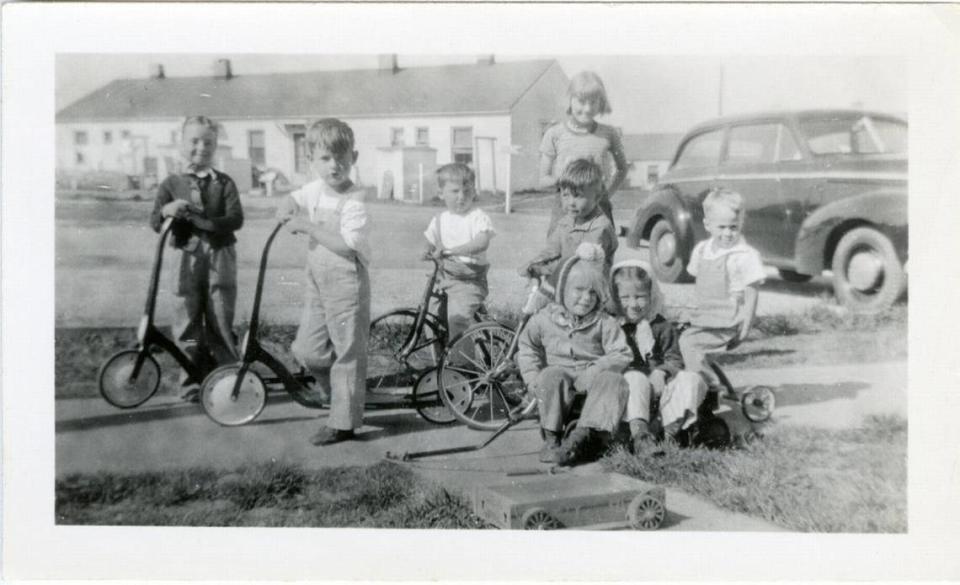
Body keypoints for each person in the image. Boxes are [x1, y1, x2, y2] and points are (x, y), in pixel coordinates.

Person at [276, 118, 371, 446]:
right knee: (308, 349)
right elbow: (294, 198)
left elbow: (347, 244)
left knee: (347, 350)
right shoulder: (314, 189)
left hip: (346, 279)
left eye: (342, 158)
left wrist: (309, 227)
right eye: (326, 159)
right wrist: (286, 205)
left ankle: (343, 422)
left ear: (354, 157)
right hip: (317, 277)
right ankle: (337, 395)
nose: (334, 165)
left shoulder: (355, 199)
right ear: (312, 161)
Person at [149, 115, 243, 402]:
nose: (201, 147)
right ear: (181, 144)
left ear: (216, 147)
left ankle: (228, 380)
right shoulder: (170, 183)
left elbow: (235, 219)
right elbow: (155, 221)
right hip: (184, 256)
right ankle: (191, 381)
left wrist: (199, 221)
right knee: (186, 320)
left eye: (209, 142)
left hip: (219, 256)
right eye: (194, 141)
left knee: (221, 316)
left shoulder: (224, 182)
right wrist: (168, 210)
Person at [516, 244, 632, 466]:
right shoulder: (544, 319)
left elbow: (621, 353)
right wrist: (532, 379)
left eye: (593, 293)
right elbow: (527, 347)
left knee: (614, 380)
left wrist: (597, 368)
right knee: (551, 375)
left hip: (592, 383)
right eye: (578, 290)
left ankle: (580, 437)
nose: (586, 298)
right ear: (562, 290)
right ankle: (552, 438)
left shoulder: (603, 322)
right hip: (561, 384)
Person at [610, 260, 707, 451]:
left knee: (692, 380)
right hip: (631, 390)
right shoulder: (613, 326)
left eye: (640, 297)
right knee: (634, 378)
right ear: (615, 298)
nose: (633, 304)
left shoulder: (660, 325)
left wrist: (662, 372)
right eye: (625, 298)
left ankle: (670, 432)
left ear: (651, 295)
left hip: (659, 386)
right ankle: (640, 435)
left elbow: (674, 358)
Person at [678, 188, 765, 395]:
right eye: (722, 227)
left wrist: (746, 325)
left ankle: (711, 385)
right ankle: (692, 384)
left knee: (688, 344)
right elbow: (700, 286)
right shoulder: (702, 250)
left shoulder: (744, 255)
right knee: (674, 340)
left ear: (741, 224)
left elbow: (752, 293)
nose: (728, 233)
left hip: (727, 319)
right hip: (705, 316)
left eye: (734, 227)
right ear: (708, 225)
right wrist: (688, 312)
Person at [539, 71, 628, 235]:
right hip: (565, 207)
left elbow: (623, 169)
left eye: (593, 102)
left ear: (601, 103)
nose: (587, 109)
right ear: (570, 100)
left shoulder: (609, 133)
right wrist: (563, 179)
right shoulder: (554, 134)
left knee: (600, 254)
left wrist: (606, 194)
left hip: (599, 206)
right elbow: (543, 179)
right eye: (581, 101)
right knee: (560, 255)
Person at [423, 163, 495, 342]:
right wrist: (426, 251)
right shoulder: (440, 219)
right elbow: (429, 241)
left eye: (467, 191)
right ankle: (440, 357)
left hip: (469, 282)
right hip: (444, 278)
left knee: (458, 320)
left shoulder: (477, 217)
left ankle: (462, 364)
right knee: (430, 317)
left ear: (474, 191)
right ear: (441, 193)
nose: (461, 197)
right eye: (455, 191)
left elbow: (482, 242)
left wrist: (455, 250)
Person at [520, 159, 618, 285]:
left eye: (578, 196)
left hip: (590, 288)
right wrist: (534, 265)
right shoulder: (565, 222)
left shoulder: (600, 227)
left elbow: (583, 263)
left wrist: (544, 269)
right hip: (568, 282)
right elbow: (551, 250)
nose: (571, 203)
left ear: (597, 197)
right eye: (566, 195)